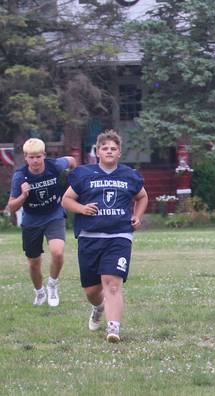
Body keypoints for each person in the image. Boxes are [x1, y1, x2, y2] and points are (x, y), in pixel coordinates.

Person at [62, 130, 148, 342]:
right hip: (90, 237)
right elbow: (66, 200)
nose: (109, 151)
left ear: (119, 153)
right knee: (92, 290)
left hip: (119, 236)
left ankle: (113, 328)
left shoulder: (129, 175)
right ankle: (99, 307)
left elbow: (143, 196)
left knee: (111, 283)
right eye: (105, 148)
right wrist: (82, 208)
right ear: (98, 152)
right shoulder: (84, 174)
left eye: (114, 148)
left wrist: (137, 216)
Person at [7, 138, 76, 307]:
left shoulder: (55, 166)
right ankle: (39, 292)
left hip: (54, 214)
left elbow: (72, 161)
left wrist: (74, 181)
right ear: (25, 158)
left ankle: (52, 284)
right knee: (34, 263)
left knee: (57, 252)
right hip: (32, 219)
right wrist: (23, 196)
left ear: (44, 155)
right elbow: (12, 207)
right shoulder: (20, 176)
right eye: (31, 157)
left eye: (38, 156)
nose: (35, 160)